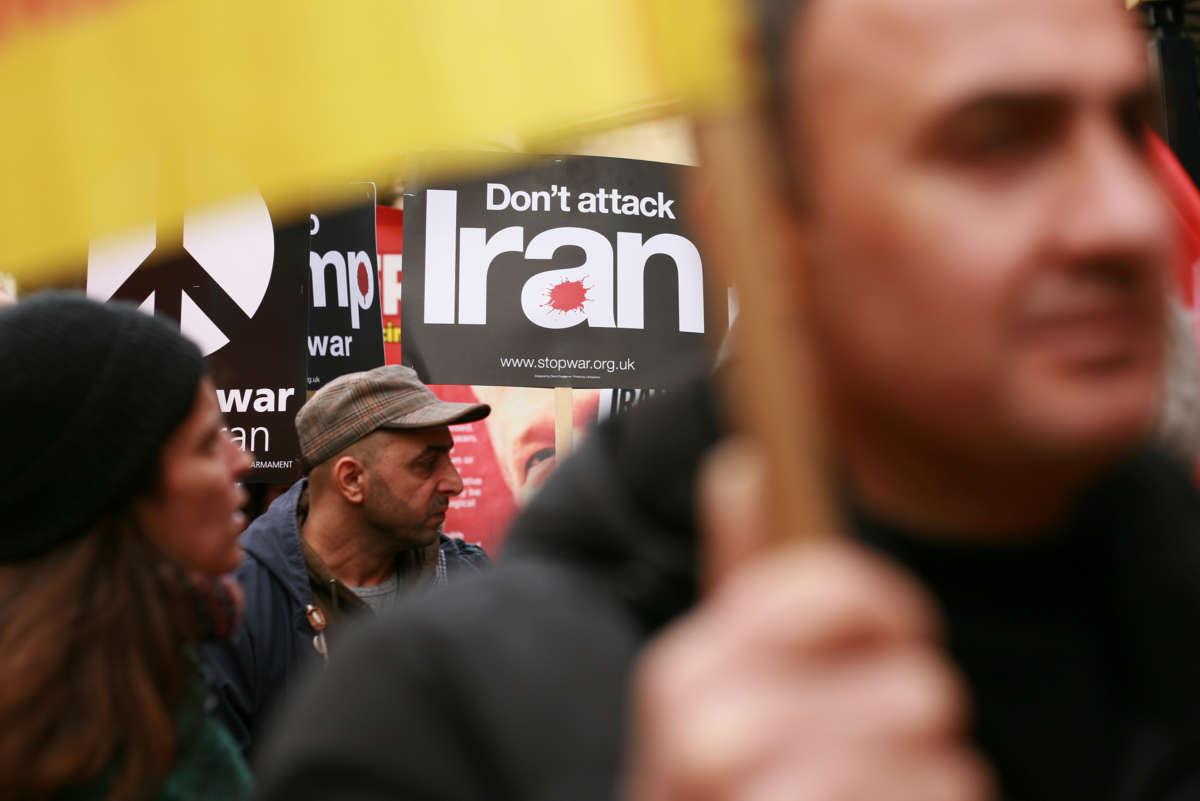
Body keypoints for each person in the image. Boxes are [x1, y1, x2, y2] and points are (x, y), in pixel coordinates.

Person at [254, 0, 1200, 799]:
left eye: (1129, 126)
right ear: (773, 232)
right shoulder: (438, 720)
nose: (1121, 217)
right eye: (996, 141)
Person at [0, 293, 253, 800]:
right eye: (207, 443)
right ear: (108, 492)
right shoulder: (74, 749)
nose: (242, 460)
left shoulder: (149, 662)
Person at [201, 365, 492, 754]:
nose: (454, 482)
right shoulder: (238, 603)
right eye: (427, 464)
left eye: (450, 459)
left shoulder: (468, 581)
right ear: (352, 480)